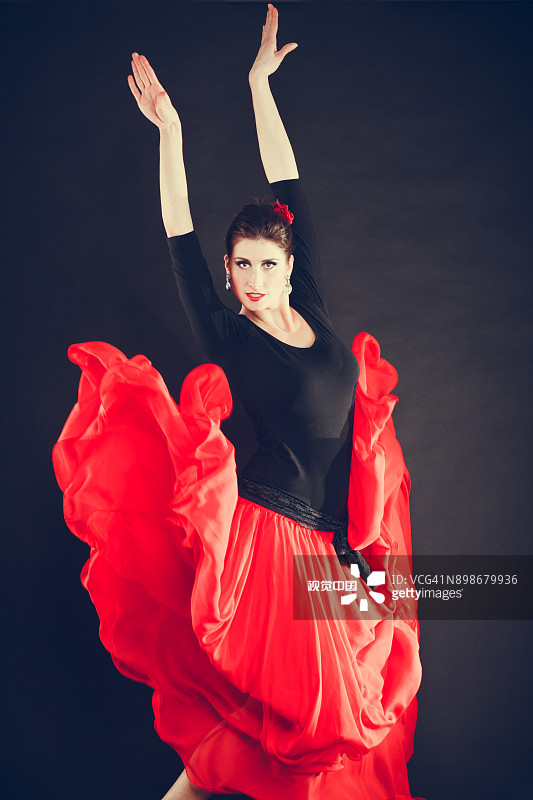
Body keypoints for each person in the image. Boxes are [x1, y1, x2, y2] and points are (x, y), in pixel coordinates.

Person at [53, 5, 423, 800]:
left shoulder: (313, 309)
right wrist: (170, 133)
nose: (252, 278)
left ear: (288, 267)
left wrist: (259, 84)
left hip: (330, 545)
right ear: (229, 275)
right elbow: (178, 235)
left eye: (264, 262)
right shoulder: (230, 333)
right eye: (240, 266)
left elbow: (289, 181)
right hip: (270, 536)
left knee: (316, 717)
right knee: (309, 719)